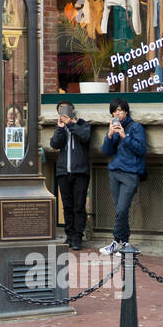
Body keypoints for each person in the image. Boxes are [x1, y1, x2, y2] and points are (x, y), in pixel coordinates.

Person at [100, 98, 147, 255]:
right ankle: (125, 243)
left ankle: (115, 242)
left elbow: (140, 149)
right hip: (114, 172)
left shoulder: (136, 127)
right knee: (121, 210)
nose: (116, 113)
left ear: (126, 111)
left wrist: (124, 136)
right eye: (114, 111)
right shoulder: (113, 127)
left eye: (119, 110)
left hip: (130, 173)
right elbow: (106, 152)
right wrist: (110, 134)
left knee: (121, 209)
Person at [49, 100, 92, 250]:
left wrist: (71, 124)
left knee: (79, 206)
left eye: (65, 110)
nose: (63, 113)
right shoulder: (60, 128)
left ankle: (78, 237)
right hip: (63, 172)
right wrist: (61, 128)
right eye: (60, 111)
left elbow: (85, 137)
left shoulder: (83, 124)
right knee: (67, 206)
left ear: (72, 110)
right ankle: (69, 235)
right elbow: (54, 144)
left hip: (80, 172)